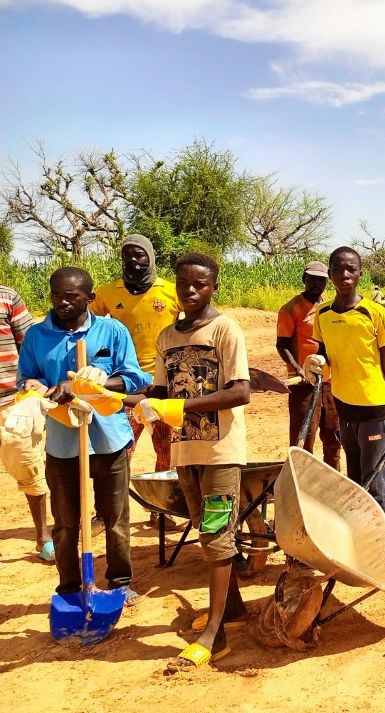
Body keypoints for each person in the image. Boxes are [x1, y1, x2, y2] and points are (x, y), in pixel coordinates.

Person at [122, 253, 251, 672]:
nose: (190, 290)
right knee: (205, 530)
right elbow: (158, 391)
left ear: (213, 286)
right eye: (183, 283)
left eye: (200, 284)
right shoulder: (166, 337)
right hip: (184, 452)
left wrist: (179, 405)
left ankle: (215, 635)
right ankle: (231, 609)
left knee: (216, 535)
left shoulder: (224, 329)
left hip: (220, 453)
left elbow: (241, 392)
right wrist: (118, 401)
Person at [16, 268, 150, 606]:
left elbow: (135, 379)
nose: (62, 302)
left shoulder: (112, 330)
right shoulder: (36, 336)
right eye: (56, 295)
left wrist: (97, 383)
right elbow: (27, 380)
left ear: (89, 299)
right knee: (64, 522)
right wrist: (34, 388)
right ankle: (70, 588)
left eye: (72, 296)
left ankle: (119, 582)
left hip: (108, 439)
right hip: (62, 443)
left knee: (115, 517)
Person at [305, 247, 385, 517]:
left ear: (360, 274)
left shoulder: (374, 312)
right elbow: (325, 354)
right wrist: (316, 364)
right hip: (343, 404)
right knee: (354, 477)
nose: (345, 274)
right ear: (330, 275)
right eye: (338, 269)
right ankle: (358, 535)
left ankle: (379, 542)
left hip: (375, 406)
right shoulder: (324, 313)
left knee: (374, 479)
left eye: (351, 269)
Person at [90, 234, 181, 528]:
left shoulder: (170, 291)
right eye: (127, 255)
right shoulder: (106, 294)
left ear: (151, 257)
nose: (133, 261)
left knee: (167, 452)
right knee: (117, 452)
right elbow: (88, 330)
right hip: (124, 387)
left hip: (164, 387)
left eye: (139, 255)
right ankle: (107, 512)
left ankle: (161, 510)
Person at [0, 284, 54, 561]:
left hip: (12, 403)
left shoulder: (6, 297)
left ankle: (42, 535)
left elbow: (31, 342)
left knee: (30, 469)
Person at [276, 261, 341, 468]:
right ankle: (303, 486)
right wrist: (297, 368)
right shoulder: (290, 309)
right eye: (312, 279)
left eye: (321, 280)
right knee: (303, 439)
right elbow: (282, 344)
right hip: (303, 385)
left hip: (329, 383)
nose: (316, 284)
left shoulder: (328, 308)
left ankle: (334, 483)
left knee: (334, 437)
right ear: (304, 280)